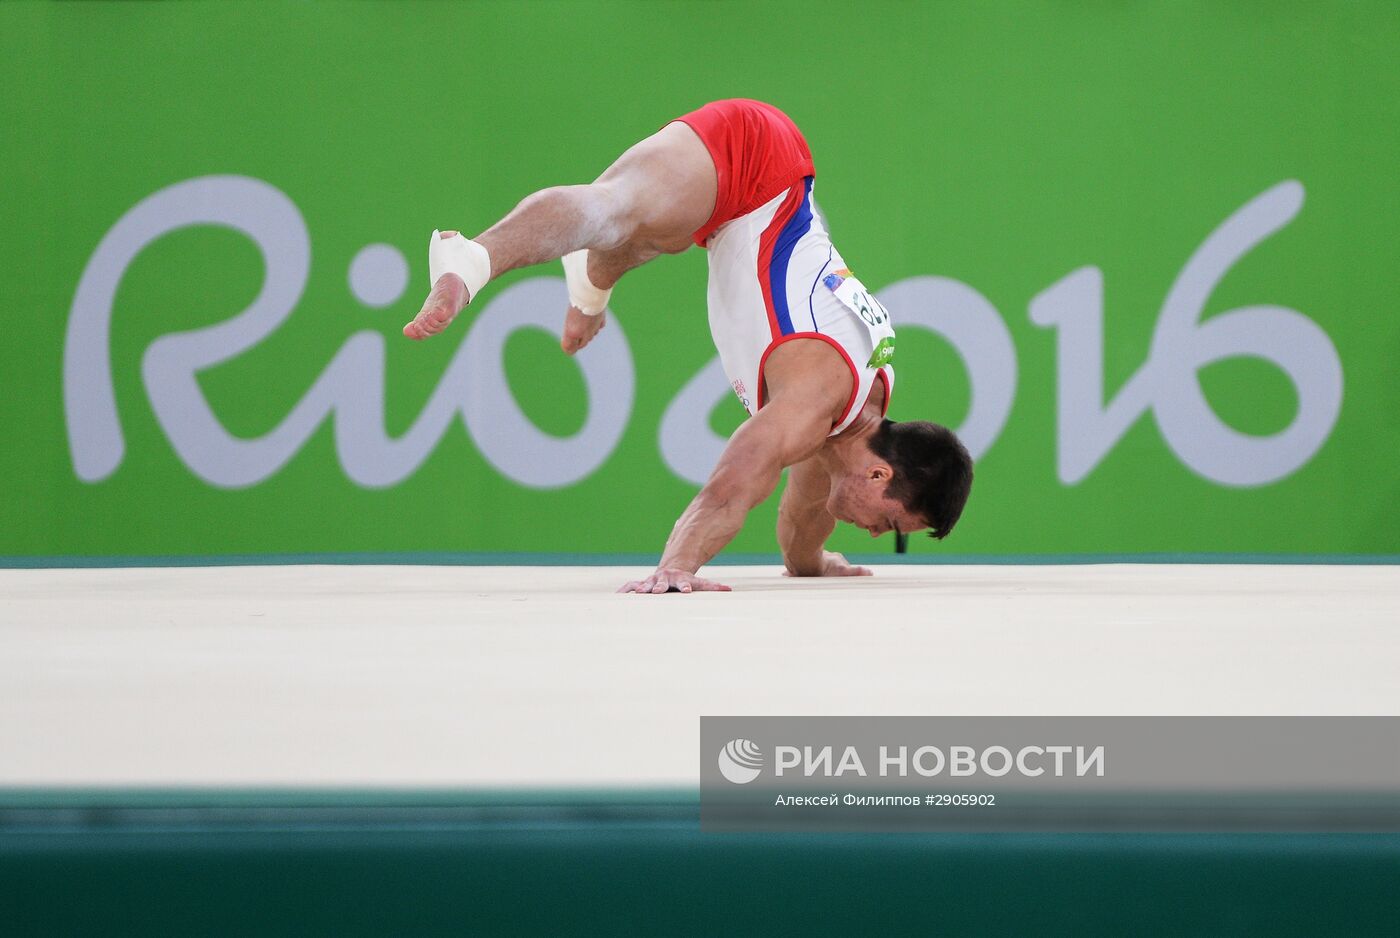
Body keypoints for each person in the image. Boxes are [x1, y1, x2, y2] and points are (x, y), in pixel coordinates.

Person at [405, 99, 973, 594]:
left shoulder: (840, 437)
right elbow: (736, 479)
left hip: (742, 212)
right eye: (890, 525)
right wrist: (678, 564)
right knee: (614, 210)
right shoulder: (814, 405)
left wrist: (814, 565)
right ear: (878, 478)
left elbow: (799, 535)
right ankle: (471, 260)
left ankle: (590, 285)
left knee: (651, 236)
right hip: (758, 160)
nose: (875, 535)